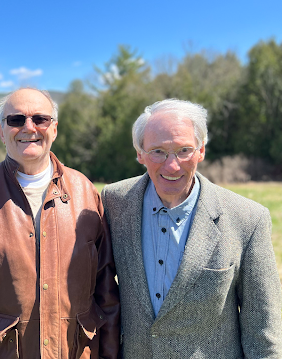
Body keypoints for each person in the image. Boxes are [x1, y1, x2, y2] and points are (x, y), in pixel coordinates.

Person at [0, 87, 120, 358]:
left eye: (40, 119)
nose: (28, 127)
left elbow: (106, 293)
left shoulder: (85, 191)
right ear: (1, 131)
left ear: (54, 129)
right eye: (16, 120)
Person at [101, 98, 282, 358]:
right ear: (140, 154)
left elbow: (263, 333)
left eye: (184, 150)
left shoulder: (248, 219)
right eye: (158, 151)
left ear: (201, 151)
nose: (172, 165)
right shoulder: (114, 202)